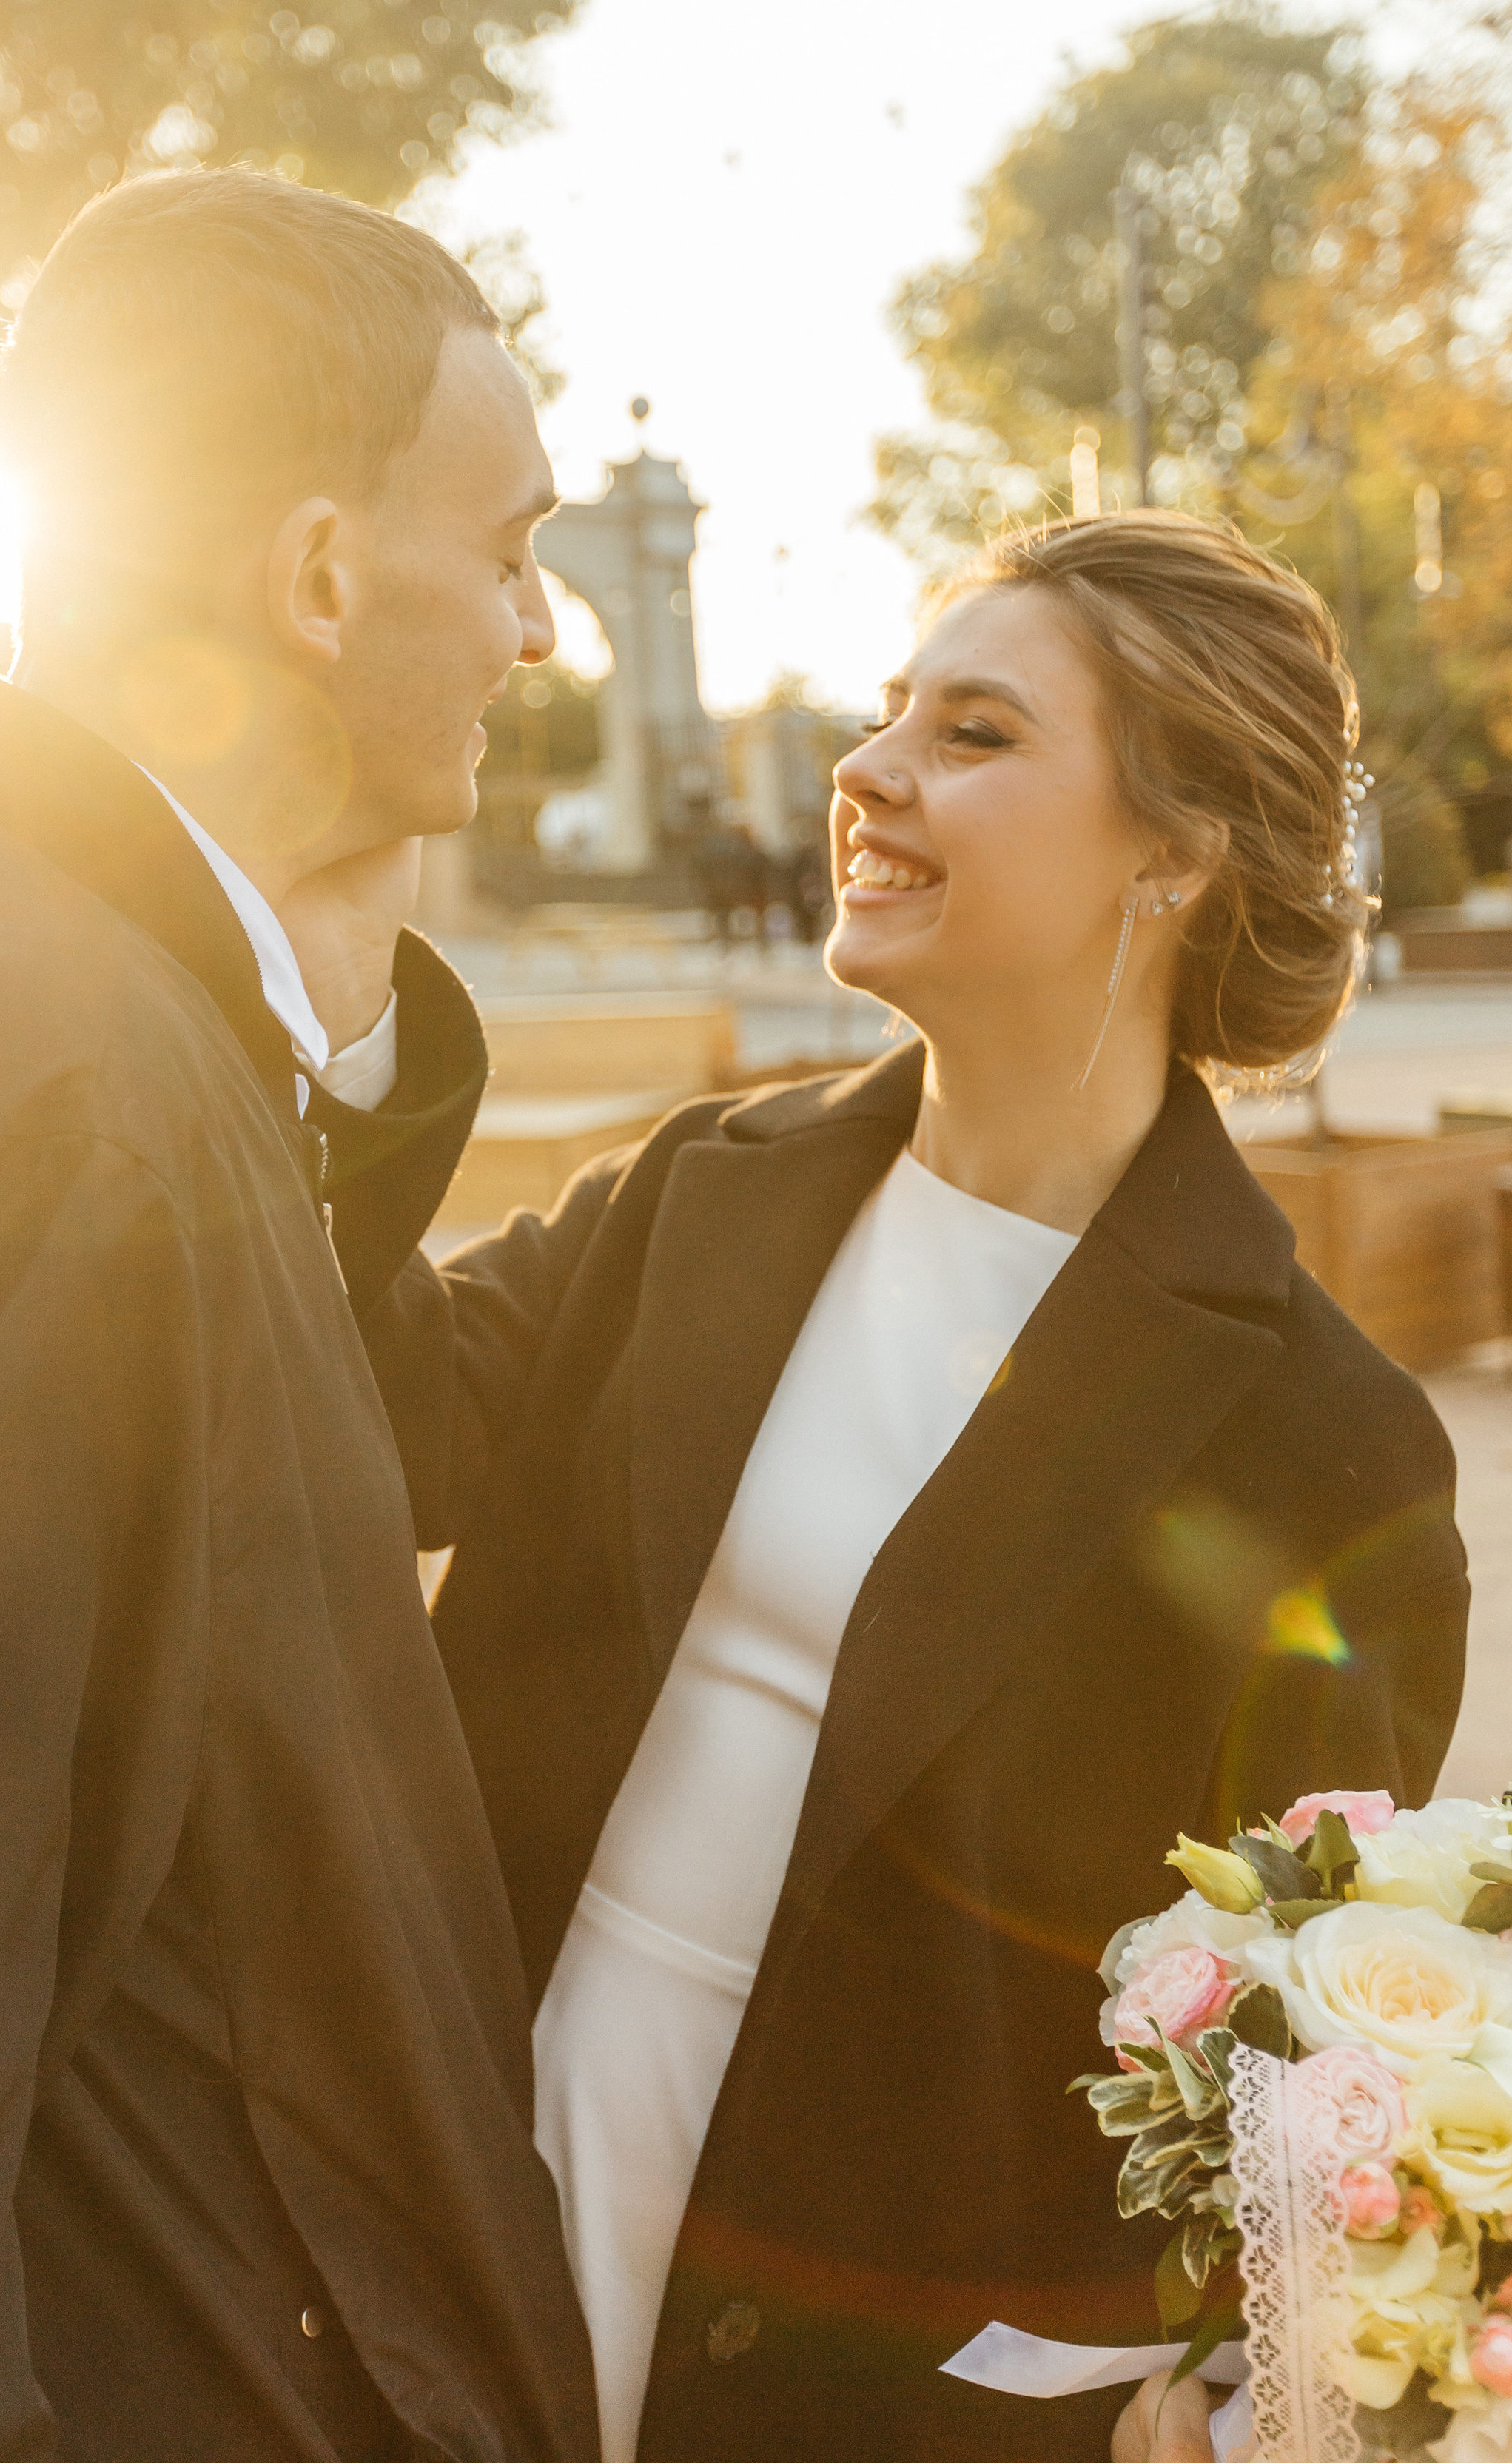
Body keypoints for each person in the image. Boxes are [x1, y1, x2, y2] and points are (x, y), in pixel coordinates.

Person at [0, 172, 601, 2463]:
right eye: (513, 546)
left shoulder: (50, 963)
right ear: (322, 574)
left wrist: (323, 1012)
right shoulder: (33, 1082)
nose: (541, 628)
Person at [354, 513, 1469, 2463]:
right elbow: (349, 1402)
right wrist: (287, 972)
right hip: (487, 2170)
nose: (865, 774)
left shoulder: (1324, 1441)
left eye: (971, 732)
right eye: (889, 716)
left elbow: (1298, 2042)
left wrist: (1176, 2385)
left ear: (1174, 853)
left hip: (878, 2366)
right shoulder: (701, 1190)